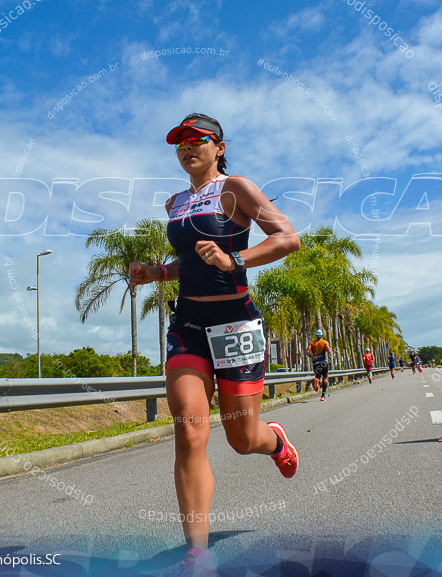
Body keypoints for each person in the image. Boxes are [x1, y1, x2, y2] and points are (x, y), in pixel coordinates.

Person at [129, 113, 301, 576]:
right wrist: (158, 273)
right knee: (189, 432)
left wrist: (234, 259)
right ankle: (198, 556)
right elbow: (190, 261)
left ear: (218, 147)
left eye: (197, 139)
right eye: (180, 142)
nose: (187, 148)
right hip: (188, 325)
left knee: (243, 439)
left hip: (235, 323)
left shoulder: (236, 189)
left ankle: (275, 441)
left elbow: (288, 239)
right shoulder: (175, 203)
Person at [307, 329, 331, 400]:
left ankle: (316, 380)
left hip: (315, 363)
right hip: (323, 363)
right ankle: (323, 396)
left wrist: (312, 357)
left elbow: (307, 352)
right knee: (325, 377)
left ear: (316, 336)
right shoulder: (325, 342)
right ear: (322, 335)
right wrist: (329, 352)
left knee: (317, 376)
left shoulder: (312, 343)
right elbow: (329, 350)